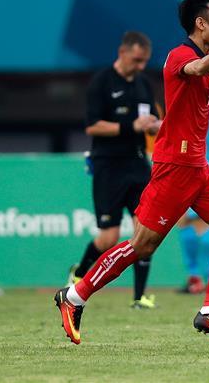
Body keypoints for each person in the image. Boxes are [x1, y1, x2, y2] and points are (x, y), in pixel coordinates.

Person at [53, 0, 209, 344]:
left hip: (198, 168)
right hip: (174, 167)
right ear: (200, 24)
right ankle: (74, 297)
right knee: (141, 246)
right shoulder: (180, 56)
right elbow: (198, 68)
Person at [67, 31, 161, 310]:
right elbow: (92, 126)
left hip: (138, 165)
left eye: (144, 61)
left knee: (146, 232)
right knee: (109, 237)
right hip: (108, 166)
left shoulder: (144, 84)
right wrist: (130, 126)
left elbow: (153, 121)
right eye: (137, 60)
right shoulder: (102, 82)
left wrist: (155, 126)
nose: (141, 66)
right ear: (123, 53)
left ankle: (139, 298)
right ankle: (78, 274)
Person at [177, 77, 209, 295]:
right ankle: (201, 278)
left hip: (202, 156)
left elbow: (193, 121)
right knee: (196, 219)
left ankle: (200, 277)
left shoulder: (205, 85)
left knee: (191, 219)